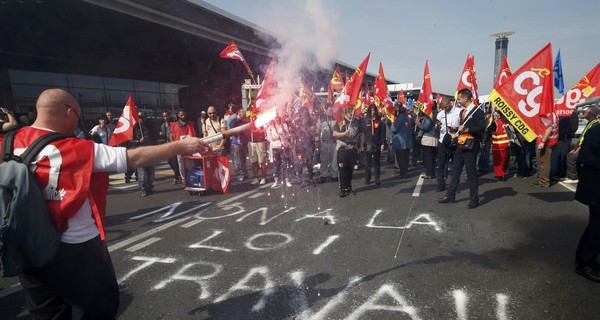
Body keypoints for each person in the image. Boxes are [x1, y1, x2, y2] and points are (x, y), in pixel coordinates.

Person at [0, 88, 208, 319]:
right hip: (74, 246)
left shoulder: (5, 141)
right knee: (100, 306)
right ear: (69, 112)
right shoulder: (77, 148)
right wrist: (180, 146)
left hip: (23, 243)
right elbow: (133, 158)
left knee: (47, 311)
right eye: (78, 118)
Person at [439, 88, 486, 209]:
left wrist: (468, 130)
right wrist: (455, 129)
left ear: (465, 98)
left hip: (470, 146)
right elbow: (462, 128)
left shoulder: (477, 111)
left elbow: (482, 127)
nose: (458, 101)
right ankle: (450, 195)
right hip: (460, 144)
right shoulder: (462, 112)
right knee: (455, 171)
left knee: (471, 173)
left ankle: (474, 199)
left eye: (459, 99)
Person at [574, 123, 600, 282]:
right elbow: (585, 157)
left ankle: (585, 258)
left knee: (595, 226)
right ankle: (585, 263)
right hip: (596, 187)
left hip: (595, 187)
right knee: (597, 227)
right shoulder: (596, 131)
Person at [333, 107, 364, 197]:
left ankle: (348, 187)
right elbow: (334, 133)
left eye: (352, 112)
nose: (351, 114)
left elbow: (361, 134)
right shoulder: (340, 121)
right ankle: (342, 188)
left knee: (350, 170)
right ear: (345, 113)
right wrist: (344, 133)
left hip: (352, 149)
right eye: (349, 112)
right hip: (342, 149)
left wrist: (361, 146)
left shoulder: (357, 122)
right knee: (342, 170)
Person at [564, 107, 600, 183]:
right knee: (571, 151)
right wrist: (575, 148)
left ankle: (573, 177)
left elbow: (588, 141)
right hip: (584, 147)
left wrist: (578, 150)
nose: (584, 114)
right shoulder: (591, 122)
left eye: (586, 113)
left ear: (590, 114)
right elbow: (582, 137)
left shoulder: (595, 124)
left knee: (571, 157)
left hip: (588, 150)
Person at [435, 98, 460, 192]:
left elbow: (463, 126)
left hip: (455, 141)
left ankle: (454, 186)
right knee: (441, 164)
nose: (444, 109)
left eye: (445, 107)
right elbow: (436, 129)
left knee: (455, 165)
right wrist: (437, 126)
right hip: (443, 141)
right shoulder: (440, 114)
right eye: (443, 107)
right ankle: (441, 184)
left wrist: (456, 128)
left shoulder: (458, 111)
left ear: (450, 104)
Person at [131, 112, 157, 196]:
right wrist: (138, 141)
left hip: (149, 151)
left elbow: (153, 139)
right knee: (142, 173)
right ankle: (143, 189)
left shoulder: (147, 128)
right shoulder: (134, 129)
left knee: (151, 172)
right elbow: (129, 142)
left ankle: (149, 187)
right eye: (140, 118)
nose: (141, 119)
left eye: (143, 117)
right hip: (140, 153)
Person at [170, 109, 197, 183]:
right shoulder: (174, 125)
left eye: (184, 114)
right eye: (181, 115)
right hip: (179, 148)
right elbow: (171, 136)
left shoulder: (190, 124)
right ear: (178, 115)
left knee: (190, 164)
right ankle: (183, 179)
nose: (183, 116)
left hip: (189, 147)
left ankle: (190, 177)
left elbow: (194, 135)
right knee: (181, 165)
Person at [533, 111, 558, 188]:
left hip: (547, 142)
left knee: (544, 162)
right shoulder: (553, 113)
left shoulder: (548, 114)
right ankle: (543, 178)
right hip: (551, 141)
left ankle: (544, 181)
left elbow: (549, 129)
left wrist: (542, 141)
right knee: (545, 162)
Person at [362, 104, 386, 185]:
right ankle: (367, 178)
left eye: (374, 110)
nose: (372, 112)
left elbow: (383, 133)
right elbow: (362, 133)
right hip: (368, 143)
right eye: (371, 110)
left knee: (377, 162)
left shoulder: (379, 121)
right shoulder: (365, 120)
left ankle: (377, 179)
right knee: (368, 162)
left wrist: (383, 144)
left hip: (377, 143)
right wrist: (362, 144)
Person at [266, 116, 293, 188]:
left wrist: (283, 133)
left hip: (283, 147)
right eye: (275, 118)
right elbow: (269, 138)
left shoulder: (284, 125)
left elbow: (288, 136)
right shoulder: (270, 127)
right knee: (276, 164)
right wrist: (277, 136)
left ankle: (287, 181)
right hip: (275, 147)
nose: (277, 119)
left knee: (285, 163)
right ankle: (276, 181)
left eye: (278, 118)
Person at [317, 103, 338, 182]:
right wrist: (317, 141)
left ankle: (334, 175)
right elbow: (317, 130)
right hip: (324, 142)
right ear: (325, 109)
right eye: (329, 110)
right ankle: (323, 175)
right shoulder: (321, 117)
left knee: (334, 160)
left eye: (332, 110)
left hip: (333, 141)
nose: (331, 111)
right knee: (324, 159)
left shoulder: (335, 117)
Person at [160, 111, 181, 184]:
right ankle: (178, 174)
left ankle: (176, 178)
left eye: (167, 116)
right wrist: (162, 134)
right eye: (164, 116)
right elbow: (164, 136)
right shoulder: (163, 126)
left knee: (175, 162)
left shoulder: (173, 124)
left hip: (173, 145)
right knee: (169, 161)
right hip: (167, 145)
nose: (166, 118)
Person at [391, 104, 412, 178]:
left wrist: (392, 124)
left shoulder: (399, 119)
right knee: (406, 158)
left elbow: (394, 129)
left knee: (400, 158)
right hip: (408, 141)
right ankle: (405, 171)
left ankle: (403, 172)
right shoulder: (408, 118)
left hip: (400, 142)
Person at [229, 108, 249, 182]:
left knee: (243, 159)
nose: (244, 118)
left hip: (243, 143)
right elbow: (232, 128)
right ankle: (239, 174)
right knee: (237, 160)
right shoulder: (234, 121)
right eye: (243, 116)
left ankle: (244, 172)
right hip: (236, 143)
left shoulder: (242, 122)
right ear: (239, 114)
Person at [417, 111, 438, 179]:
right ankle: (432, 173)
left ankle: (429, 173)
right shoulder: (431, 119)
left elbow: (425, 128)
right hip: (433, 139)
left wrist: (418, 123)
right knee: (432, 158)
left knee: (428, 158)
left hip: (428, 139)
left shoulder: (427, 120)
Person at [490, 112, 510, 181]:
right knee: (505, 160)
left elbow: (489, 130)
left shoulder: (495, 123)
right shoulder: (507, 122)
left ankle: (500, 175)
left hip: (498, 145)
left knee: (498, 162)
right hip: (507, 144)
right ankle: (502, 172)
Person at [248, 118, 268, 185]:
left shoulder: (262, 118)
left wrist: (254, 131)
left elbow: (264, 130)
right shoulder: (250, 119)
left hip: (260, 141)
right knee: (254, 161)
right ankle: (255, 178)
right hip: (251, 142)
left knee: (262, 161)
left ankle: (263, 177)